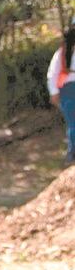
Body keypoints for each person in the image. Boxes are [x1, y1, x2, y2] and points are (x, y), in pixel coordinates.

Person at [48, 21, 75, 165]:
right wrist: (54, 92)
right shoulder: (63, 53)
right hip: (69, 91)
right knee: (73, 124)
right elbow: (53, 74)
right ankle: (72, 154)